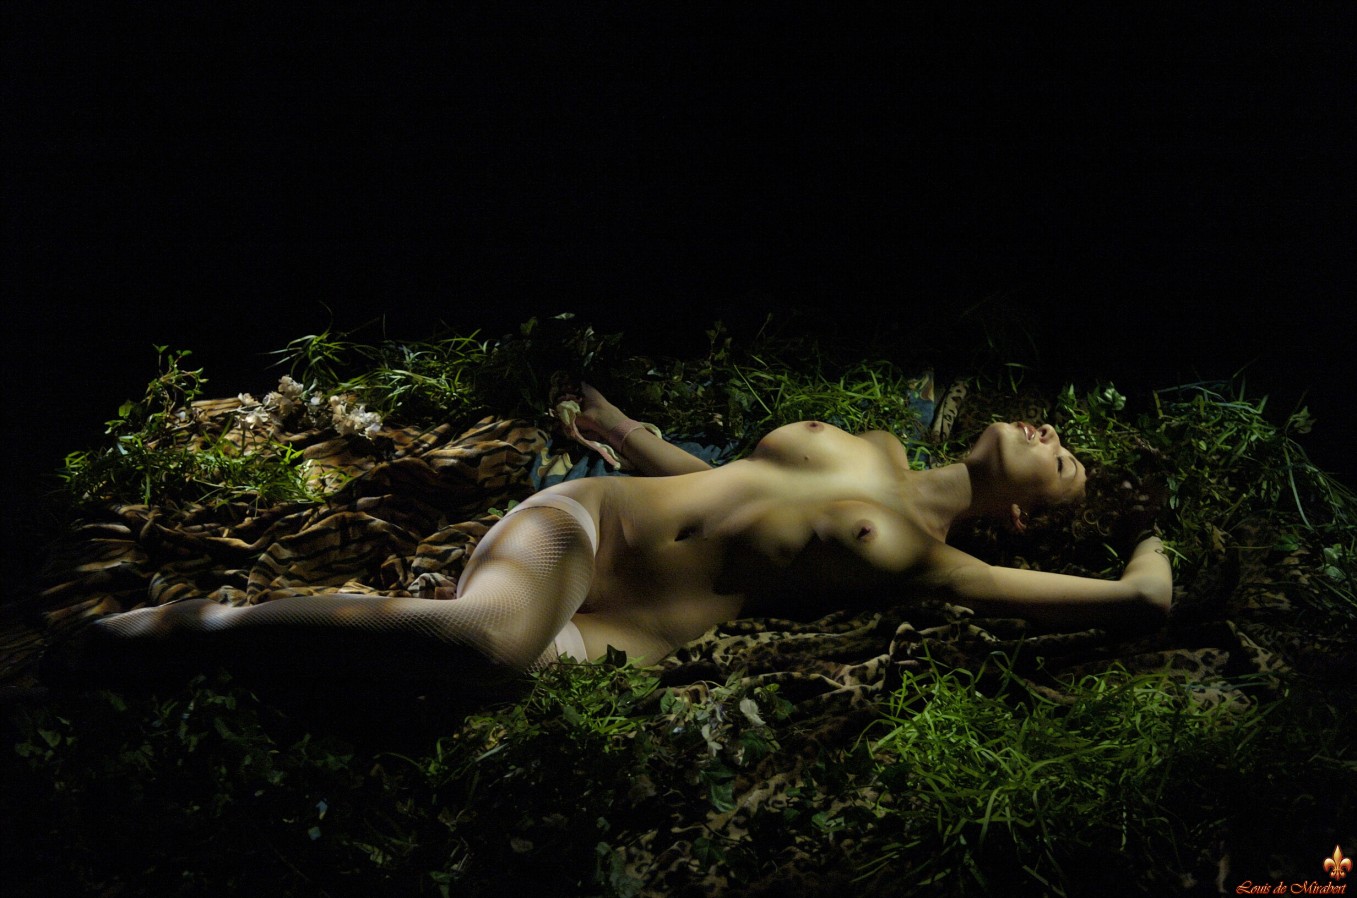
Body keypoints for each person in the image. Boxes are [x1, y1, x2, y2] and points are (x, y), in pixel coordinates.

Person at [87, 383, 1172, 681]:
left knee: (457, 674)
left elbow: (1121, 601)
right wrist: (627, 435)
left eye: (1061, 460)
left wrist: (1146, 565)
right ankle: (191, 630)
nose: (1049, 434)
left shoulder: (938, 560)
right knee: (479, 641)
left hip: (618, 638)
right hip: (585, 530)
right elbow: (733, 487)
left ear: (1019, 513)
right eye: (1057, 433)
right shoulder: (874, 442)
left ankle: (234, 653)